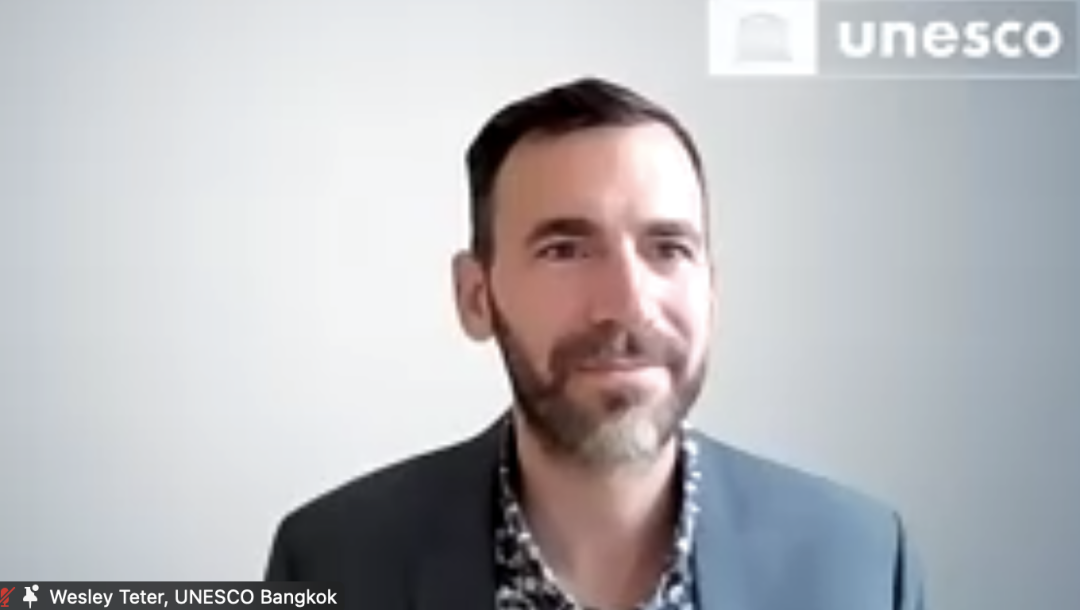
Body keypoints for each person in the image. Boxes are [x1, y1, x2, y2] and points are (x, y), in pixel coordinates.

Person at [263, 76, 927, 610]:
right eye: (565, 250)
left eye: (668, 248)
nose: (628, 304)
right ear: (476, 296)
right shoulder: (326, 561)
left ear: (711, 290)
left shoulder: (864, 564)